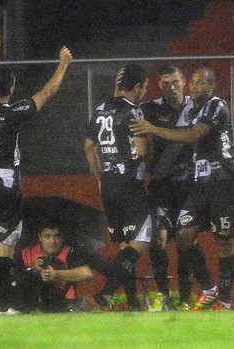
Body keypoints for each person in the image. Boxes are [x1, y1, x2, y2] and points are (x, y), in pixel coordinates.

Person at [0, 34, 72, 315]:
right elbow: (48, 92)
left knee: (0, 244)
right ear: (13, 88)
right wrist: (63, 63)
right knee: (6, 249)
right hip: (5, 187)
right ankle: (0, 305)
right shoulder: (14, 113)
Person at [130, 67, 234, 311]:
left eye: (200, 82)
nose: (194, 86)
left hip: (224, 180)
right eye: (192, 81)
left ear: (211, 87)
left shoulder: (216, 105)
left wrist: (153, 129)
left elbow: (193, 135)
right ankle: (209, 288)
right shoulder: (192, 109)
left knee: (223, 241)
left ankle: (224, 299)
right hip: (200, 184)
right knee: (183, 233)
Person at [84, 63, 153, 311]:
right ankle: (105, 292)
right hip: (129, 183)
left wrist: (100, 176)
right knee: (143, 239)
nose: (144, 92)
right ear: (137, 87)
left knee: (125, 245)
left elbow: (89, 147)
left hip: (109, 182)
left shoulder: (101, 110)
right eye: (144, 87)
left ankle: (133, 305)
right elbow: (141, 152)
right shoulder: (135, 113)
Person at [140, 64, 195, 311]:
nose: (171, 87)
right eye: (166, 83)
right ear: (159, 85)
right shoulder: (151, 109)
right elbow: (125, 110)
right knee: (158, 240)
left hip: (189, 188)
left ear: (184, 81)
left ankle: (184, 297)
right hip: (161, 185)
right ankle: (164, 296)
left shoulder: (197, 108)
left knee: (185, 240)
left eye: (175, 82)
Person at [12, 221, 93, 313]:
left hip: (66, 302)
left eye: (57, 237)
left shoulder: (70, 252)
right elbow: (15, 279)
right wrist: (34, 269)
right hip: (33, 302)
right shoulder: (26, 253)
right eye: (47, 236)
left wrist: (56, 274)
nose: (52, 242)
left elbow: (87, 273)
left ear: (62, 238)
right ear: (40, 237)